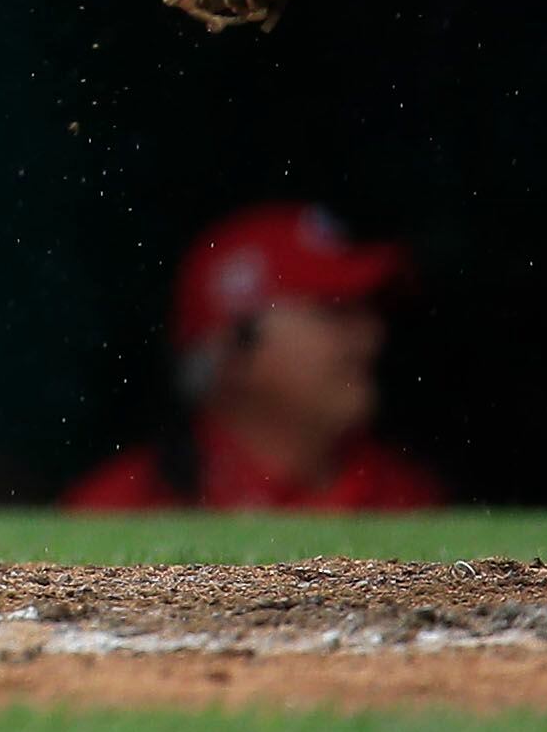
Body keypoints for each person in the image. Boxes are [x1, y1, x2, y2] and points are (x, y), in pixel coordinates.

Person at [67, 205, 444, 511]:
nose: (371, 337)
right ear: (233, 349)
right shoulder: (121, 509)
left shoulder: (412, 499)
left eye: (368, 312)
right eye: (334, 310)